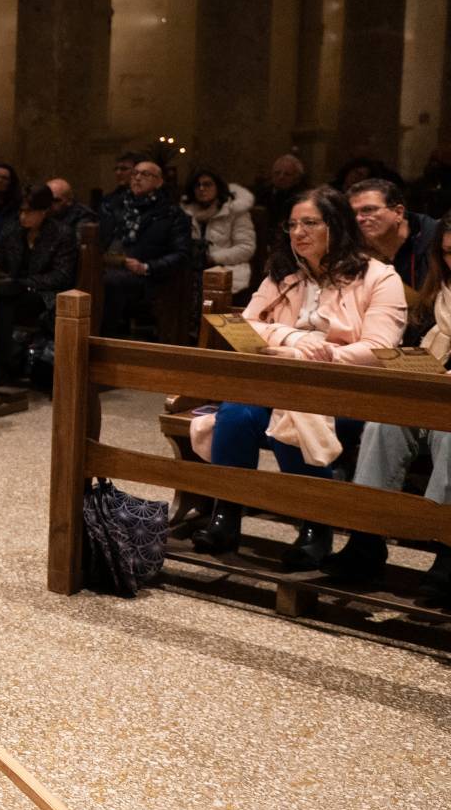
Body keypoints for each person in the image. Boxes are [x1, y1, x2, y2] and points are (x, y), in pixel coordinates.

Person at [191, 187, 406, 568]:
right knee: (238, 411)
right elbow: (245, 328)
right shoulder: (283, 275)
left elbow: (380, 348)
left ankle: (314, 524)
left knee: (293, 414)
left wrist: (326, 355)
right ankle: (226, 515)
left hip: (345, 389)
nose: (298, 232)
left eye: (310, 223)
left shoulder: (379, 276)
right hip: (279, 379)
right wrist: (294, 341)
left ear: (336, 226)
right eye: (292, 224)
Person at [326, 218, 451, 602]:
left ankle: (447, 553)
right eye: (447, 253)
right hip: (433, 392)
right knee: (383, 422)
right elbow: (418, 346)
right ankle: (367, 540)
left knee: (449, 435)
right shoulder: (441, 294)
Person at [0, 186, 79, 382]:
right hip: (12, 290)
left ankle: (3, 366)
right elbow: (0, 263)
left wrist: (23, 283)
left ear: (44, 211)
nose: (23, 216)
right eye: (21, 211)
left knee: (6, 302)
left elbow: (61, 276)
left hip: (45, 295)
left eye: (29, 212)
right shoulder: (12, 230)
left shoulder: (61, 234)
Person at [97, 160, 189, 338]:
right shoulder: (114, 206)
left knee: (109, 283)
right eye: (135, 173)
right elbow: (101, 241)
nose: (137, 178)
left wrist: (147, 267)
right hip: (108, 266)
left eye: (145, 174)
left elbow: (181, 255)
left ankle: (106, 342)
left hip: (147, 277)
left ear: (159, 182)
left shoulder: (171, 214)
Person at [349, 178, 438, 342]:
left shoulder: (437, 241)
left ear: (398, 212)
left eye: (368, 210)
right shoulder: (354, 248)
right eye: (353, 213)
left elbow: (434, 309)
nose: (359, 219)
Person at [181, 168, 257, 295]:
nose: (202, 188)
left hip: (227, 272)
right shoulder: (186, 213)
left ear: (218, 187)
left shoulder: (235, 211)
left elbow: (246, 248)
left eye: (207, 184)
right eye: (197, 185)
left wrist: (213, 258)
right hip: (191, 274)